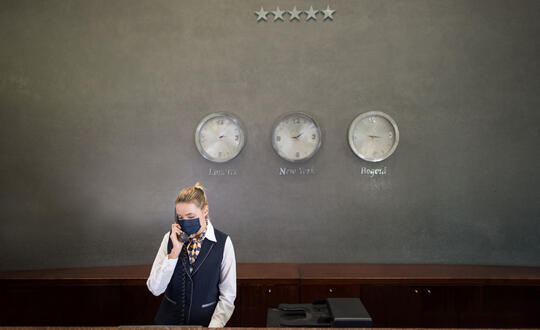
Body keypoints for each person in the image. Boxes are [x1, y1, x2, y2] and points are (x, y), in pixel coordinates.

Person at [146, 182, 236, 327]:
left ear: (205, 210)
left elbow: (228, 296)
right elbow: (155, 288)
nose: (185, 221)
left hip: (206, 324)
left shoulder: (223, 242)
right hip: (169, 324)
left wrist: (213, 327)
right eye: (180, 217)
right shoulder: (169, 239)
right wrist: (174, 251)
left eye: (190, 216)